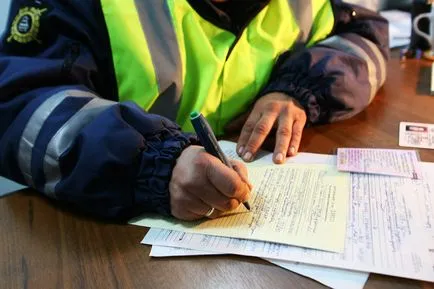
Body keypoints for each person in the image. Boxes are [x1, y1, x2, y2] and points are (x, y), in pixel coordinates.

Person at [0, 0, 388, 221]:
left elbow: (364, 38)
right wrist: (153, 163)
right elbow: (18, 107)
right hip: (110, 238)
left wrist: (297, 89)